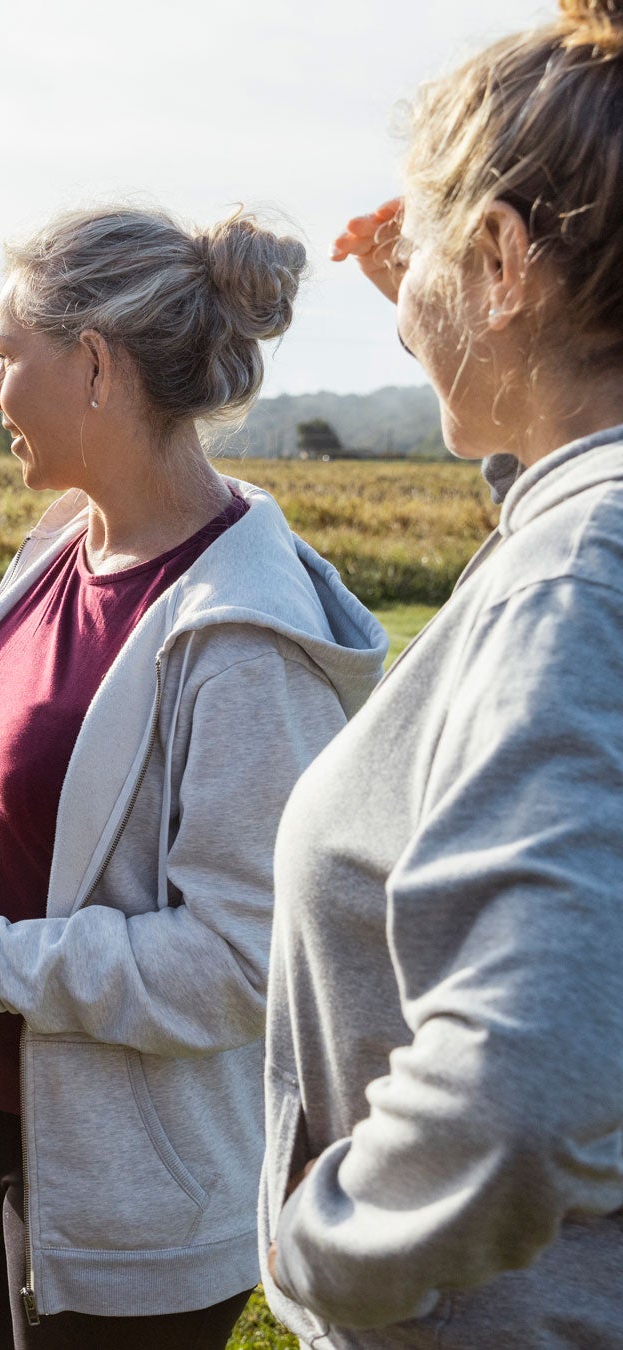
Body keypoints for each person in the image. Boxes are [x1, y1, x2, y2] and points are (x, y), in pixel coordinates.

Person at [0, 208, 388, 1349]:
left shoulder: (244, 641)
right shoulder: (63, 543)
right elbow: (54, 788)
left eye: (4, 356)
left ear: (92, 362)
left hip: (134, 1202)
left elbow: (237, 963)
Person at [263, 1, 623, 1342]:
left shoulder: (581, 576)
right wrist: (444, 322)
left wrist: (328, 1248)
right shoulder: (585, 545)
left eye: (433, 256)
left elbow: (525, 1082)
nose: (403, 292)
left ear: (503, 255)